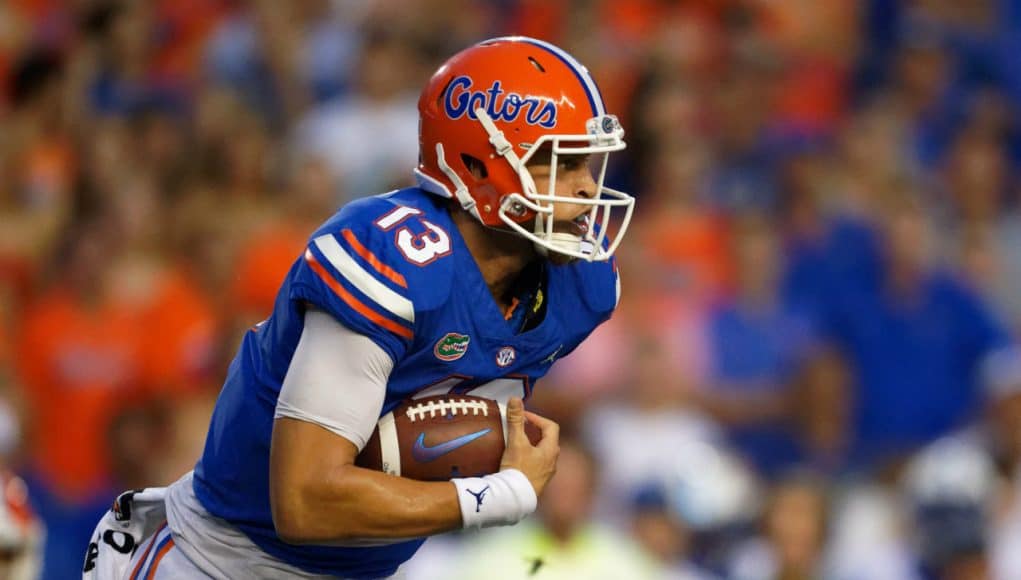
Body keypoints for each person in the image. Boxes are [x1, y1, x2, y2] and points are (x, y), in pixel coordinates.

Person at [83, 36, 634, 579]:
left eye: (588, 165)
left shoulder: (580, 285)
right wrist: (496, 496)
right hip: (221, 562)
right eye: (558, 166)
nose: (586, 190)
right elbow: (304, 501)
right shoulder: (393, 258)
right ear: (477, 163)